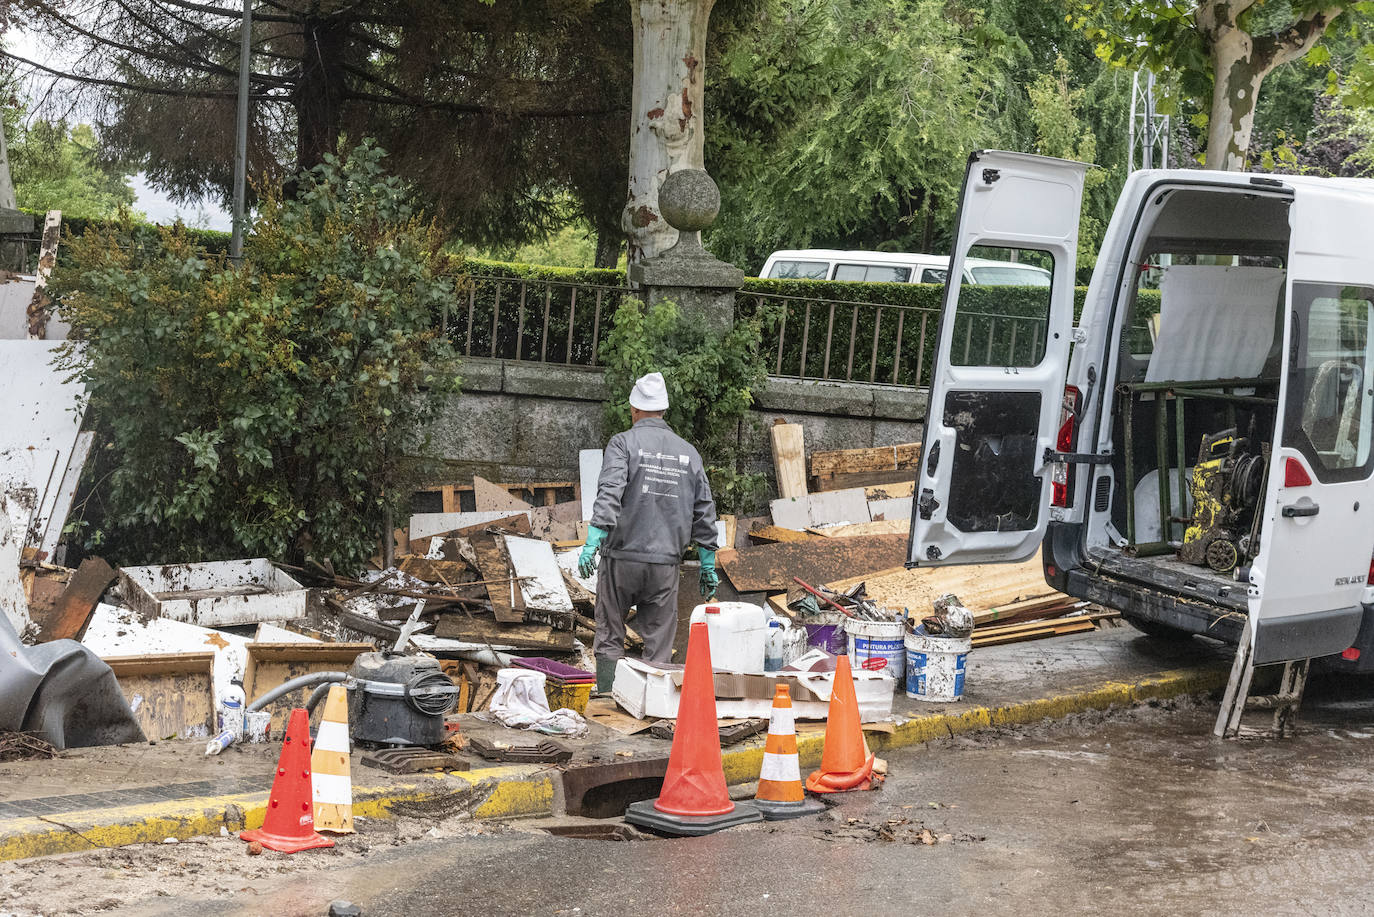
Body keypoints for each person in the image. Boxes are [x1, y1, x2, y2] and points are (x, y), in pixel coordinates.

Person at [579, 371, 719, 693]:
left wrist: (592, 541)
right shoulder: (689, 453)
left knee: (611, 635)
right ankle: (653, 704)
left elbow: (610, 491)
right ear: (664, 410)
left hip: (621, 562)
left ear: (633, 408)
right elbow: (704, 510)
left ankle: (607, 700)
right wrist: (708, 562)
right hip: (665, 567)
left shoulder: (623, 443)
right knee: (657, 644)